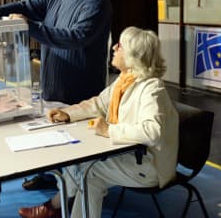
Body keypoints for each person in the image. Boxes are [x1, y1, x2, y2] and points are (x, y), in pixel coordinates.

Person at [0, 0, 112, 190]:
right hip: (53, 84)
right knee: (49, 135)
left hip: (81, 90)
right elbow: (28, 5)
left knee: (75, 145)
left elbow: (75, 37)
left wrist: (30, 26)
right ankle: (48, 175)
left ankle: (73, 192)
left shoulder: (97, 2)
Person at [18, 26, 179, 218]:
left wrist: (110, 130)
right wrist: (68, 113)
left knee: (88, 172)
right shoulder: (124, 81)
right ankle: (56, 206)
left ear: (133, 55)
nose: (113, 49)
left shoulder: (152, 88)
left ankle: (55, 206)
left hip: (148, 166)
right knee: (81, 166)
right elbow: (98, 104)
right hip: (129, 155)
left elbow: (153, 132)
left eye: (119, 46)